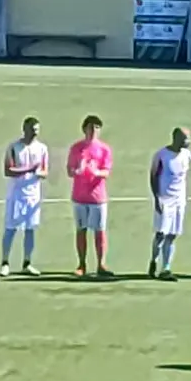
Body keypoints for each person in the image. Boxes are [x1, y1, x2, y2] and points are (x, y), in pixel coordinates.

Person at [0, 117, 48, 277]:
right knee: (11, 229)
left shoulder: (42, 148)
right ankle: (5, 262)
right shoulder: (14, 147)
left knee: (30, 230)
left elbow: (44, 171)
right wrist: (28, 169)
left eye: (37, 130)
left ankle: (27, 262)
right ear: (24, 129)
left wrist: (37, 172)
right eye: (32, 129)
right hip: (16, 195)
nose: (35, 133)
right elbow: (8, 170)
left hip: (33, 196)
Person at [67, 115, 113, 279]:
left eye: (96, 128)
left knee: (99, 231)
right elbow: (69, 170)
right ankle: (81, 264)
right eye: (90, 127)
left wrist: (97, 172)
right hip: (79, 197)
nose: (93, 131)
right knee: (81, 231)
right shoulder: (76, 148)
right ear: (84, 129)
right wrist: (77, 171)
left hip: (98, 197)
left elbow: (106, 171)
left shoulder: (104, 149)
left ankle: (101, 263)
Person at [149, 127, 191, 281]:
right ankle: (154, 260)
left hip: (179, 200)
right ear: (176, 138)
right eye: (186, 138)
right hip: (164, 199)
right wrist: (157, 198)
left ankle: (165, 268)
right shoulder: (161, 155)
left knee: (172, 235)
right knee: (161, 234)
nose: (189, 141)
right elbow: (153, 177)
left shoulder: (187, 155)